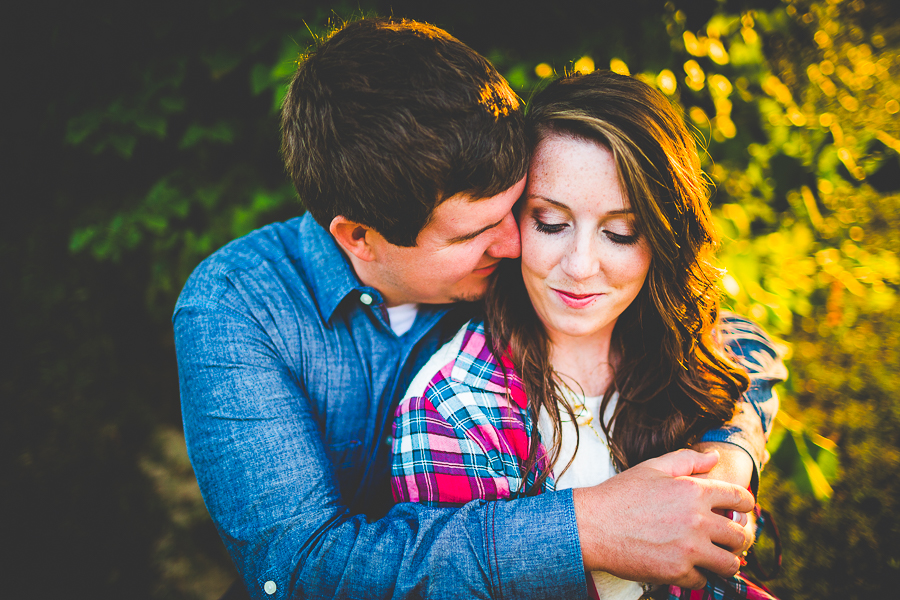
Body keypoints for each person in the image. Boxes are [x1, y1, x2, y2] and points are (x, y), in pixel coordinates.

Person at [174, 18, 765, 600]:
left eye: (520, 212)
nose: (514, 245)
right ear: (360, 238)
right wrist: (585, 528)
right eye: (474, 233)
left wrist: (724, 457)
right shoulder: (237, 309)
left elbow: (722, 341)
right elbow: (302, 571)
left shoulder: (530, 258)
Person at [391, 71, 785, 599]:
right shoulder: (453, 412)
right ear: (511, 222)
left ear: (663, 239)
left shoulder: (672, 337)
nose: (579, 266)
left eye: (621, 232)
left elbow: (748, 355)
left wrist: (730, 459)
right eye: (550, 222)